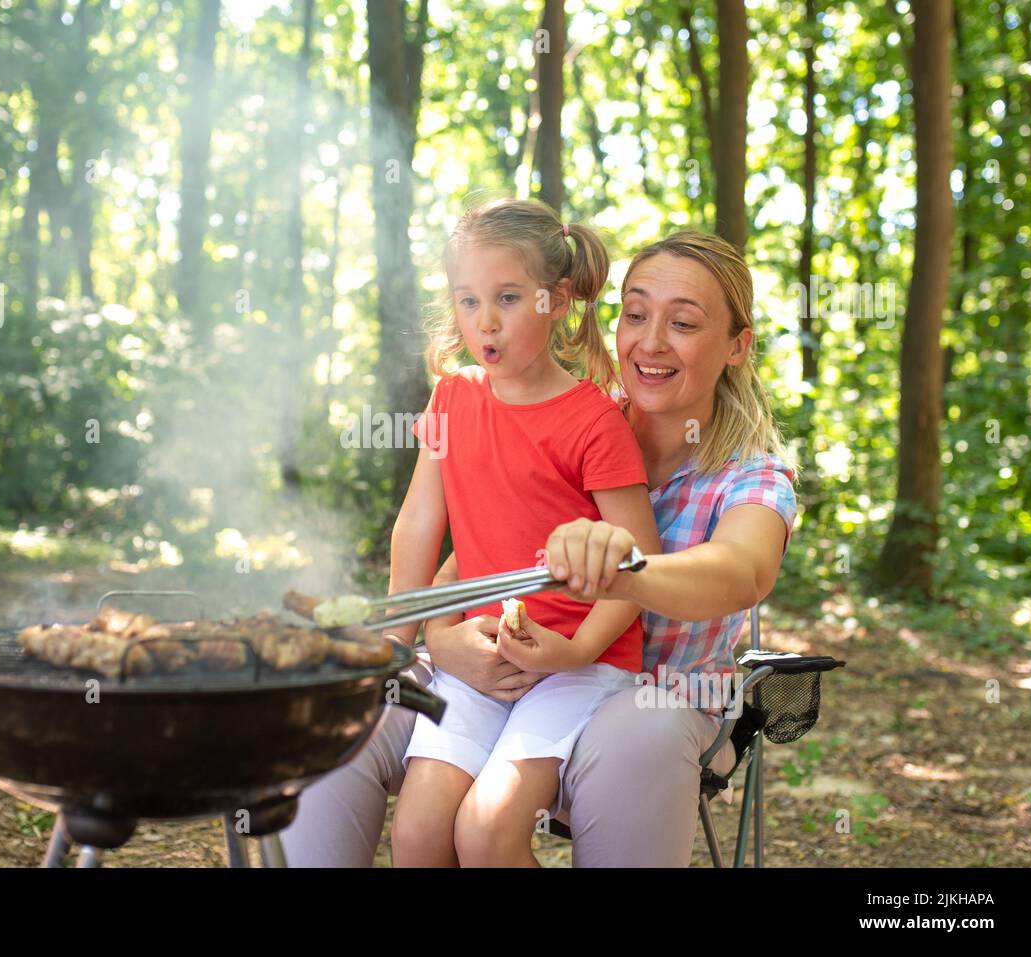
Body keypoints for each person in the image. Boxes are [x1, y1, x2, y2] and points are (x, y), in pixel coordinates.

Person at [280, 229, 797, 867]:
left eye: (684, 323)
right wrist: (440, 638)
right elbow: (474, 552)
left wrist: (621, 572)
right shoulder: (550, 407)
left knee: (634, 736)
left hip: (642, 693)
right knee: (331, 712)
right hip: (498, 670)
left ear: (737, 346)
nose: (652, 341)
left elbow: (738, 571)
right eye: (636, 316)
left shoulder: (750, 475)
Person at [386, 197, 660, 868]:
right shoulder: (452, 398)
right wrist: (398, 640)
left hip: (581, 664)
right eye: (468, 300)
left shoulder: (593, 420)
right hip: (484, 658)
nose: (485, 321)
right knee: (419, 836)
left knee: (486, 832)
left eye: (507, 297)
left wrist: (571, 652)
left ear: (556, 299)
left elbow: (641, 563)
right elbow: (421, 520)